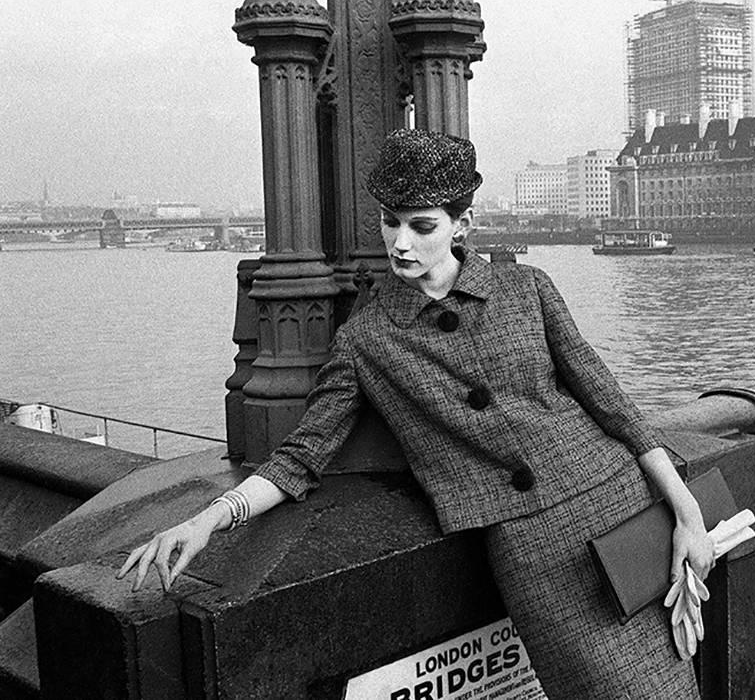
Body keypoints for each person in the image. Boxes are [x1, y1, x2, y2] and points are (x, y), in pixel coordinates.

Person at [117, 128, 714, 700]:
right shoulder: (368, 338)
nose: (400, 242)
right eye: (390, 222)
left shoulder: (528, 287)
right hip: (534, 551)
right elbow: (302, 457)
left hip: (622, 504)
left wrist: (684, 511)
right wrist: (208, 521)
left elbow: (611, 403)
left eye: (421, 226)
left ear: (461, 226)